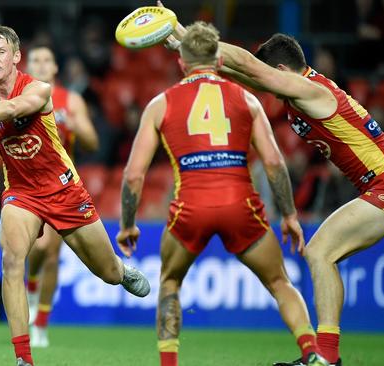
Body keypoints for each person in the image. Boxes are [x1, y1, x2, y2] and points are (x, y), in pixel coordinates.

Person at [165, 10, 384, 366]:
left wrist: (190, 36)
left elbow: (249, 66)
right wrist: (191, 53)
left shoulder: (309, 88)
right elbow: (249, 76)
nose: (268, 87)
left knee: (321, 251)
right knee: (323, 252)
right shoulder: (301, 88)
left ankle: (326, 357)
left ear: (284, 71)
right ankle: (326, 356)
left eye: (272, 74)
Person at [116, 22, 328, 366]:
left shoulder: (160, 104)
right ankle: (312, 352)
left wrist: (128, 225)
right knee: (279, 281)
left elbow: (133, 174)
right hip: (241, 204)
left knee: (170, 282)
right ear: (218, 60)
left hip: (190, 207)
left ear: (182, 63)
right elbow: (274, 163)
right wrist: (289, 215)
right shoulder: (246, 99)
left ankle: (169, 364)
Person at [0, 24, 150, 366]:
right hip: (20, 192)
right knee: (12, 259)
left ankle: (121, 269)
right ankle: (23, 358)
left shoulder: (39, 90)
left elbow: (13, 110)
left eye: (1, 51)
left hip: (63, 188)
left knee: (105, 272)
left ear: (16, 57)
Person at [23, 45, 99, 348]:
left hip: (59, 185)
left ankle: (40, 323)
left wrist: (76, 124)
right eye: (35, 60)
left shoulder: (71, 100)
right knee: (34, 251)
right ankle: (31, 286)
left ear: (55, 68)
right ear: (27, 67)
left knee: (50, 250)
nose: (41, 65)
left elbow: (93, 143)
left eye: (46, 60)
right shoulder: (20, 97)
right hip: (25, 183)